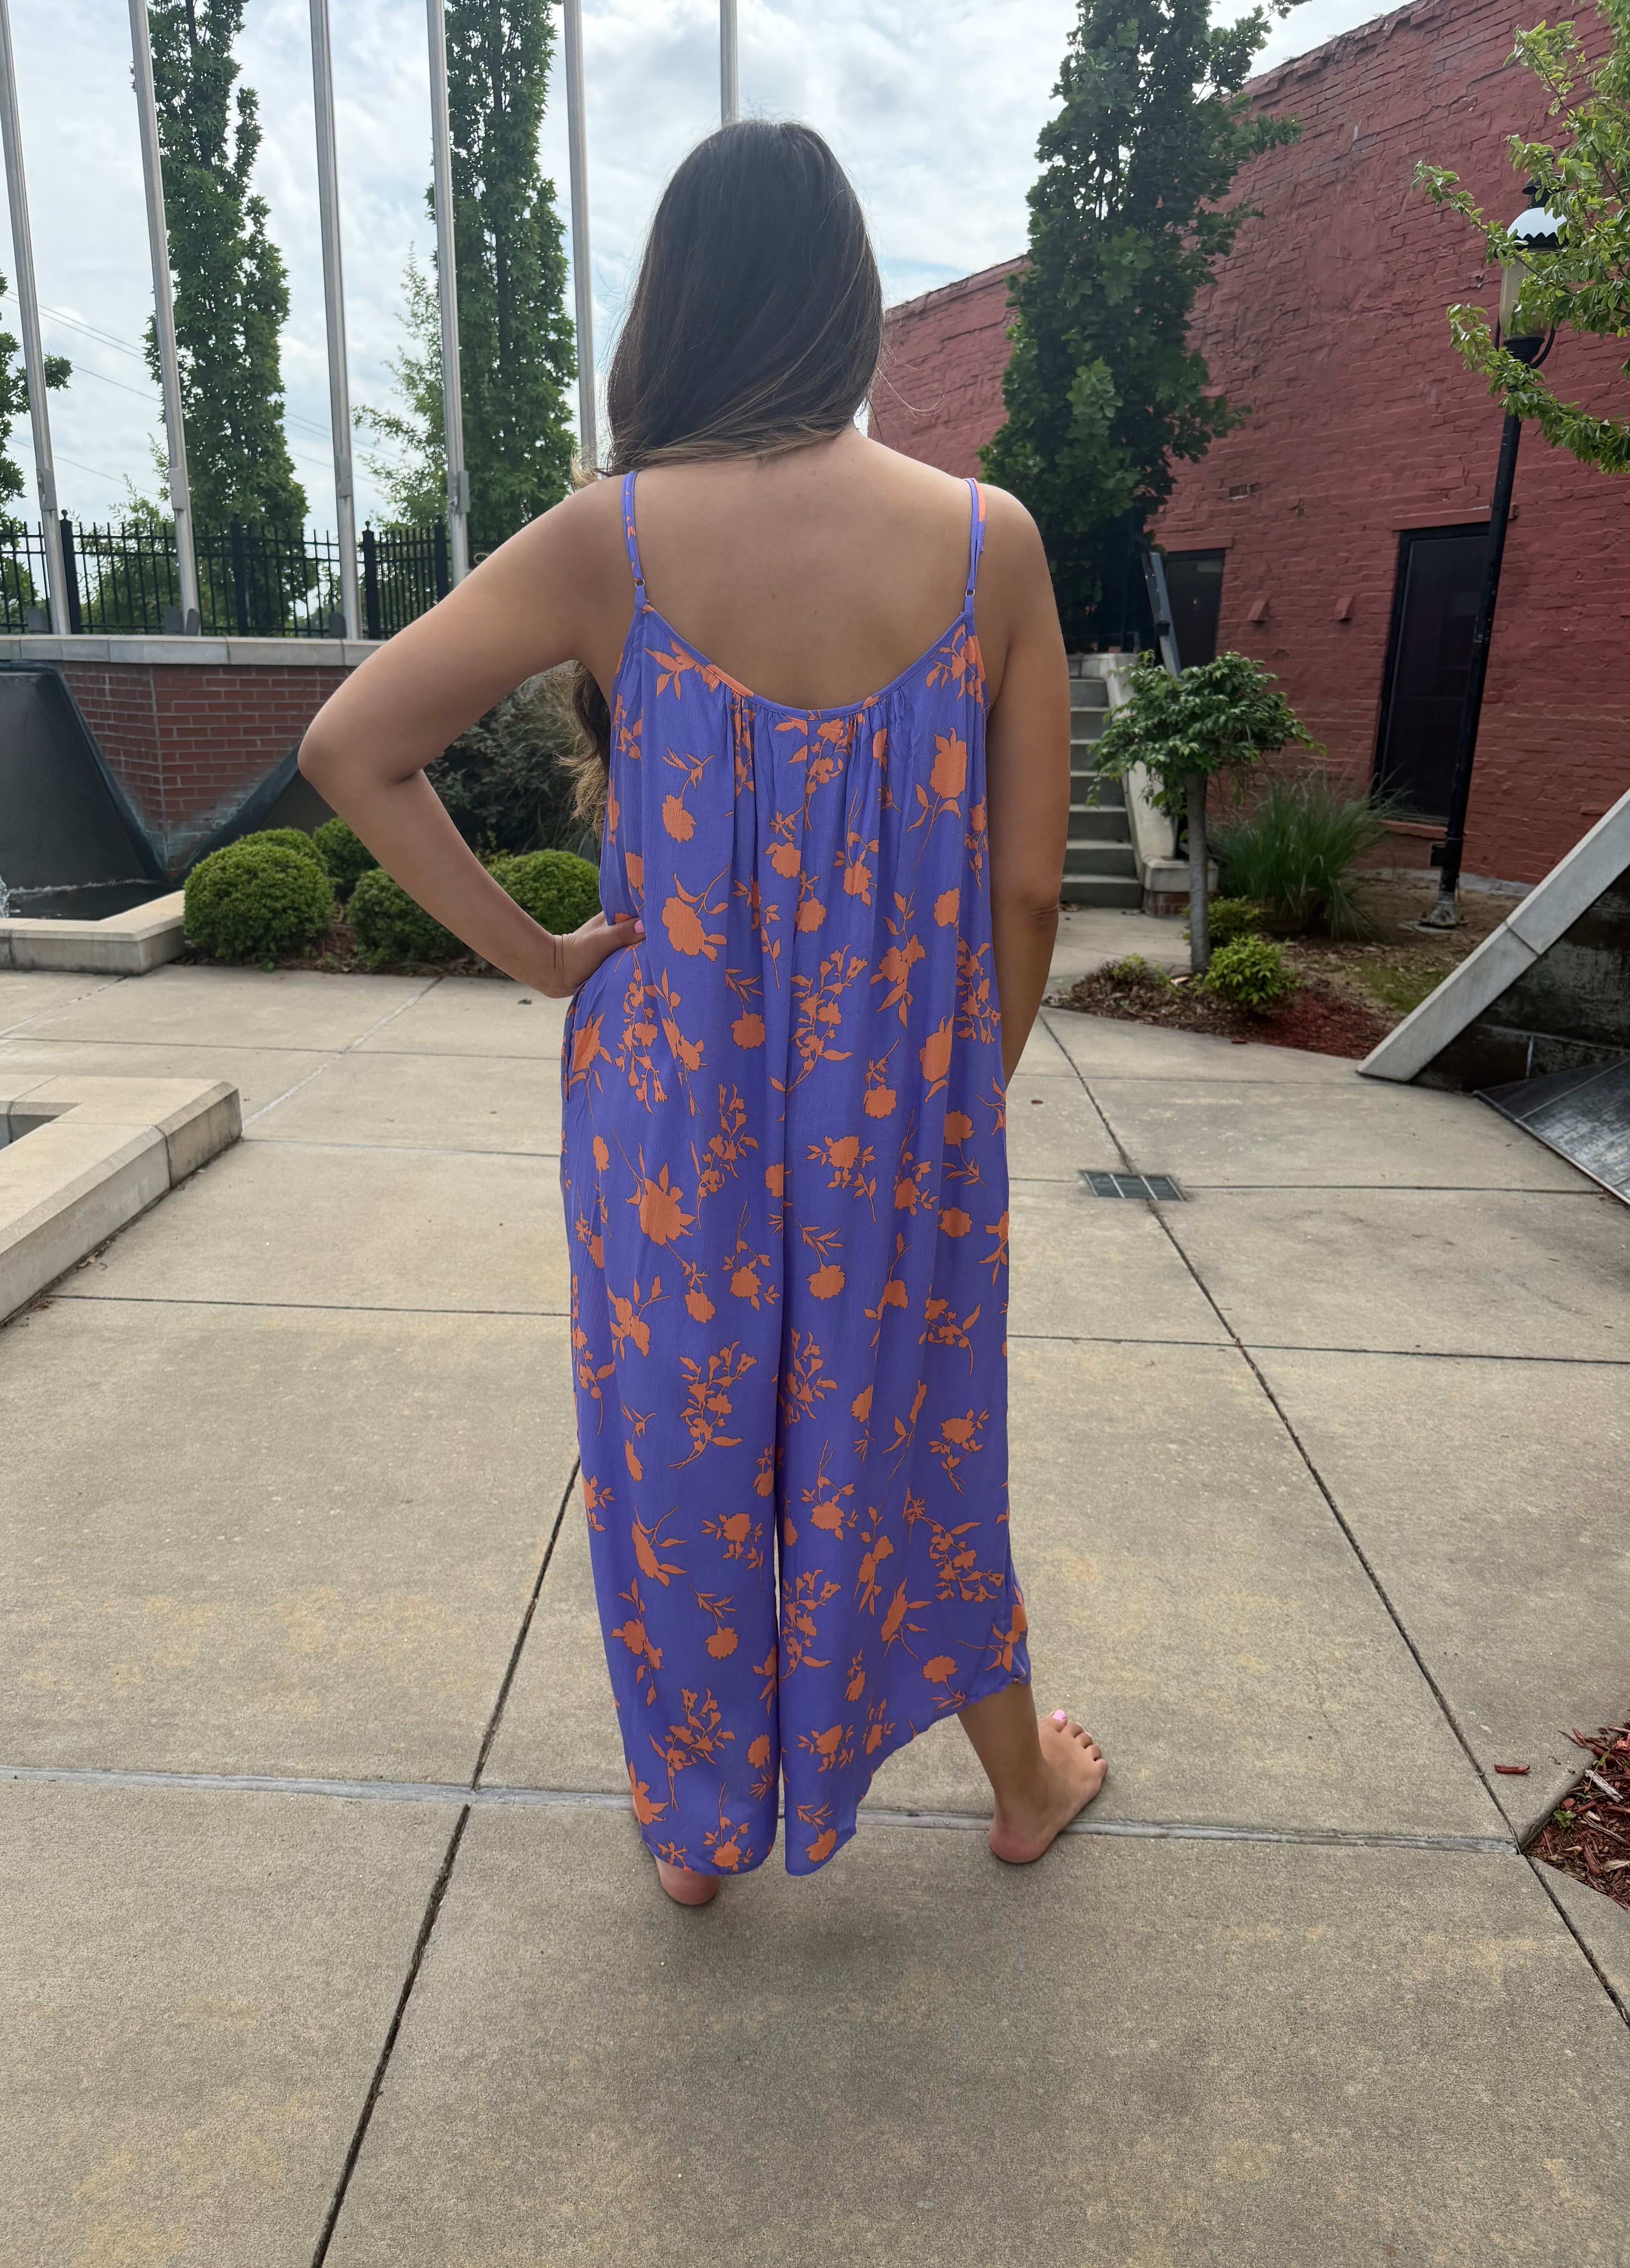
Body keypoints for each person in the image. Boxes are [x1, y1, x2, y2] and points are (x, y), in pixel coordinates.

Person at [299, 119, 1106, 1906]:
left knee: (682, 1452)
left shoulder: (613, 542)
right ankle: (1023, 1785)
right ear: (848, 303)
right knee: (911, 1442)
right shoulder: (993, 545)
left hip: (669, 1119)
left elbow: (352, 746)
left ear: (672, 309)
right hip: (907, 1123)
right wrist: (958, 1094)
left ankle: (698, 1827)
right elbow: (1030, 895)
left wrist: (539, 957)